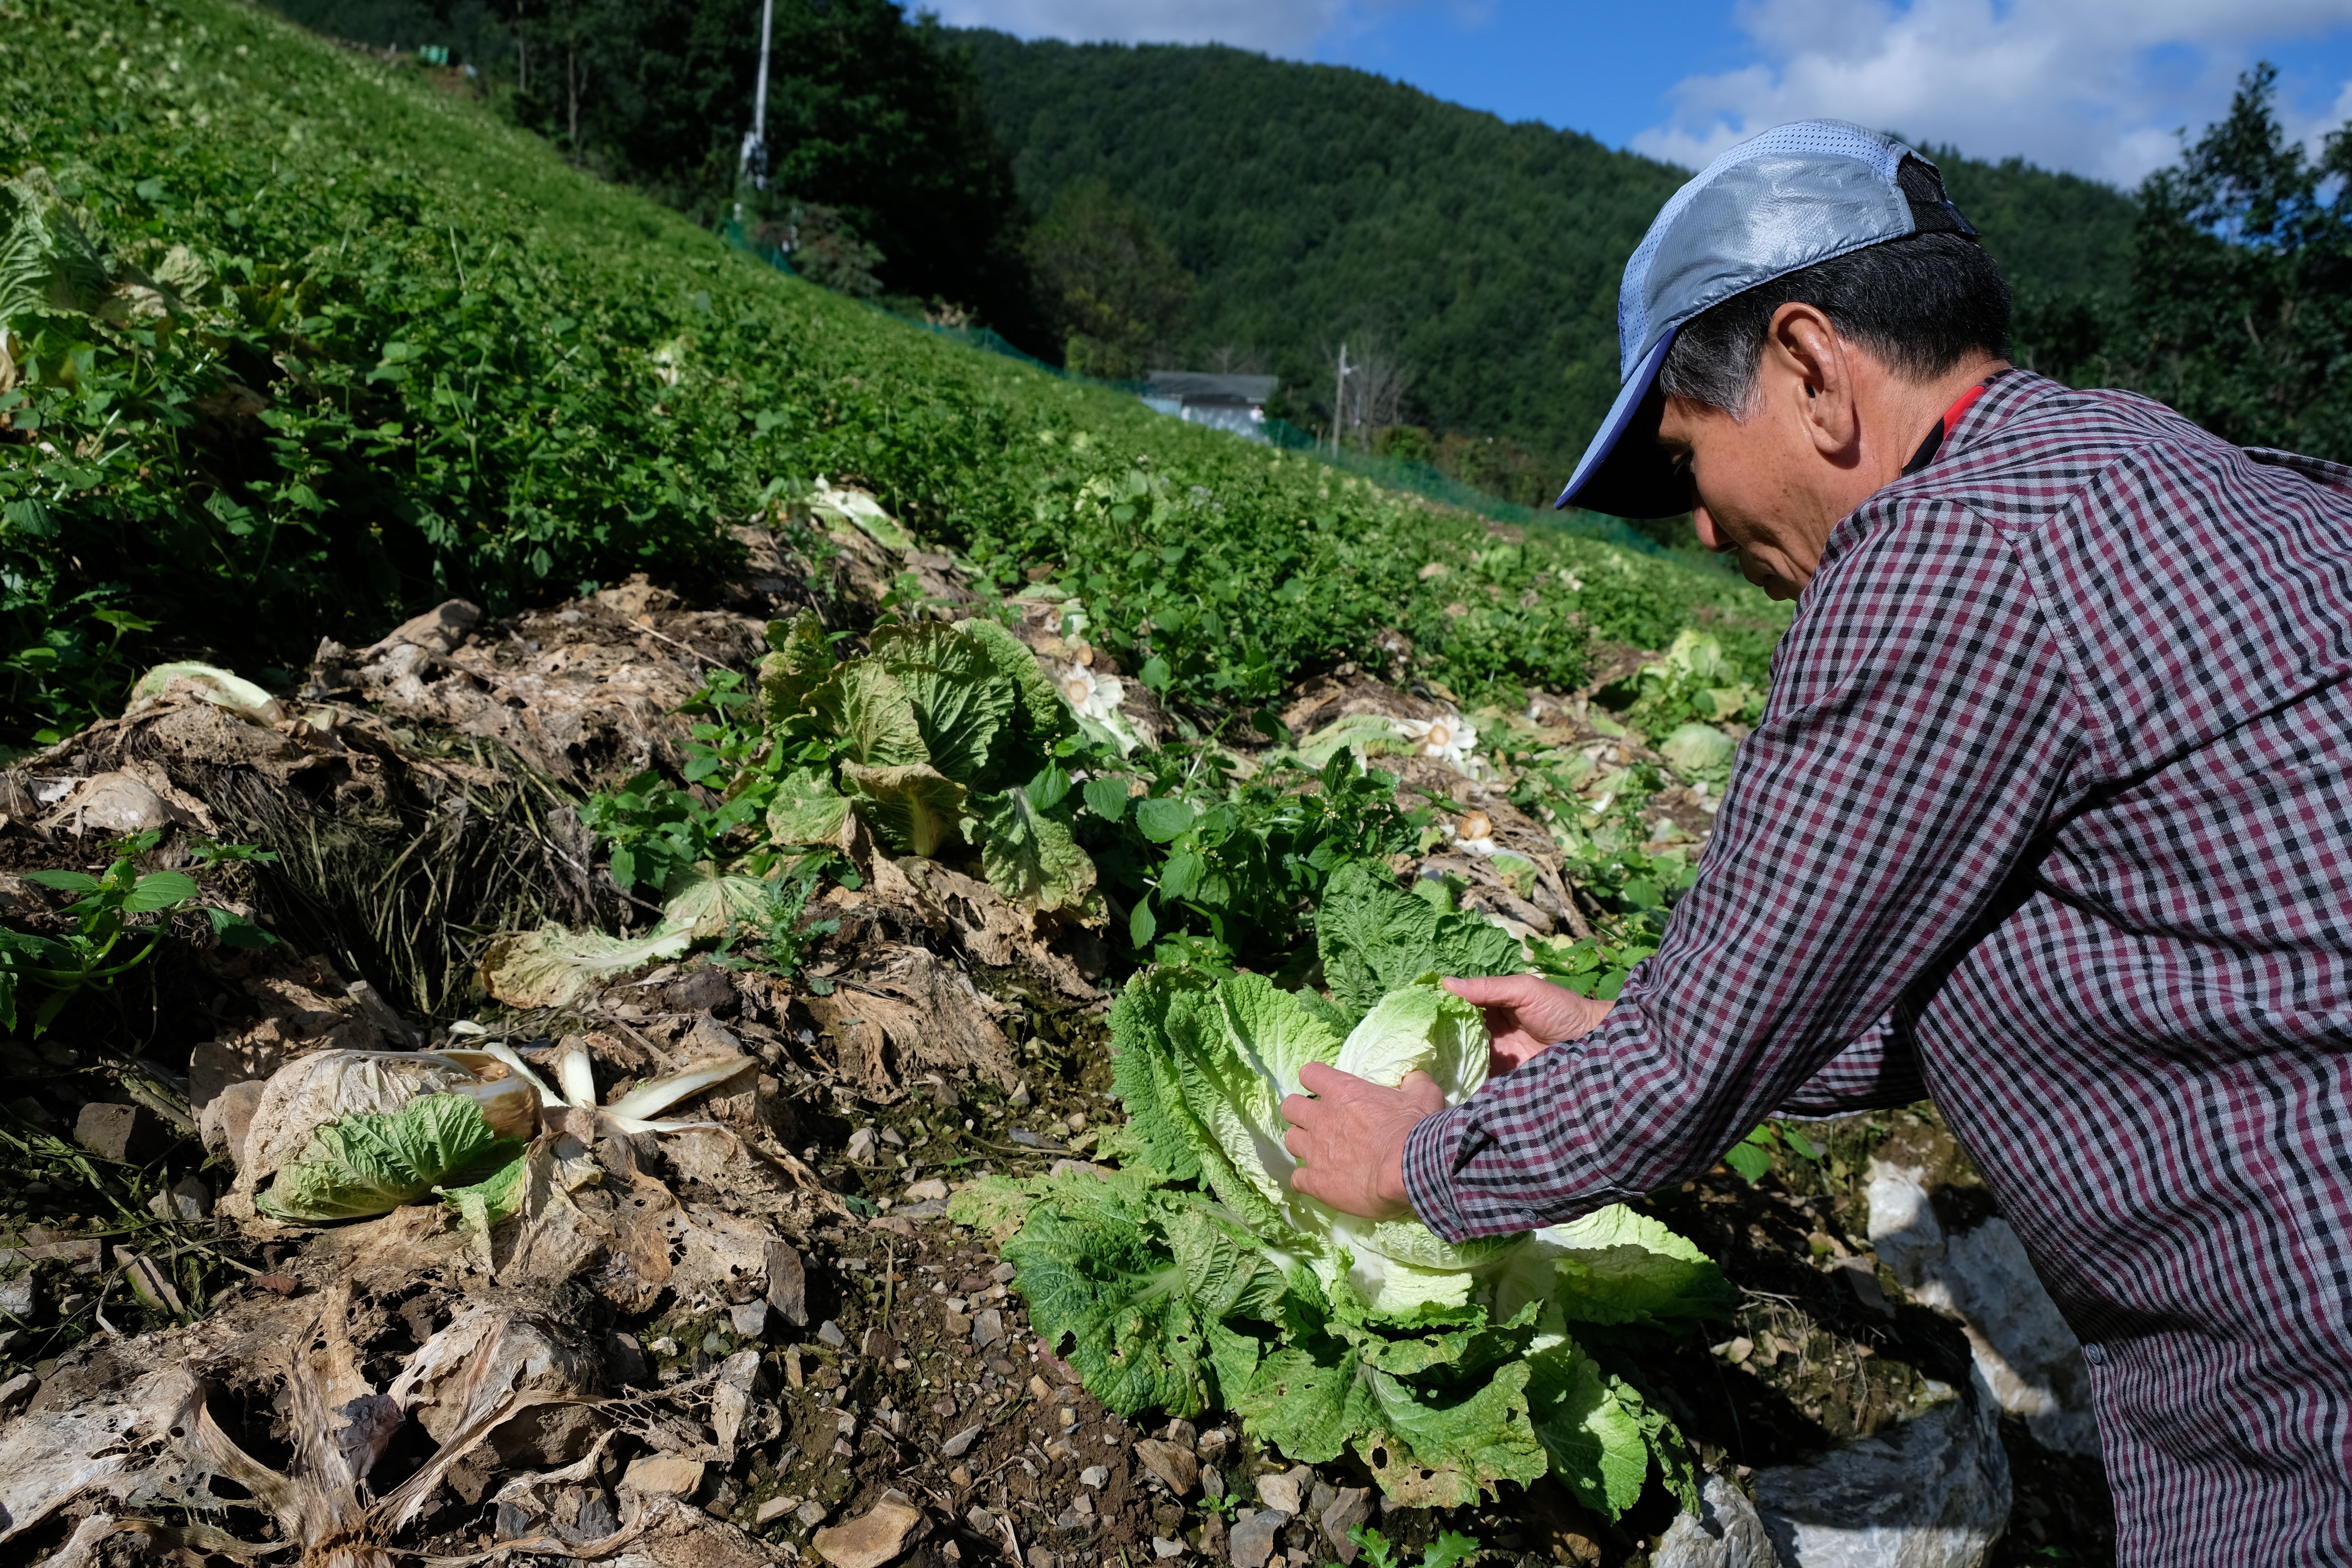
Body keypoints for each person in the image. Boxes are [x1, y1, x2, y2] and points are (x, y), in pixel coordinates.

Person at [1276, 121, 2352, 1565]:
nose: (1706, 530)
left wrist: (1418, 1164)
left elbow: (1685, 1075)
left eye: (1685, 454)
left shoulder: (1947, 553)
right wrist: (1624, 1024)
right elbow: (2107, 939)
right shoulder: (2187, 477)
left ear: (1808, 368)